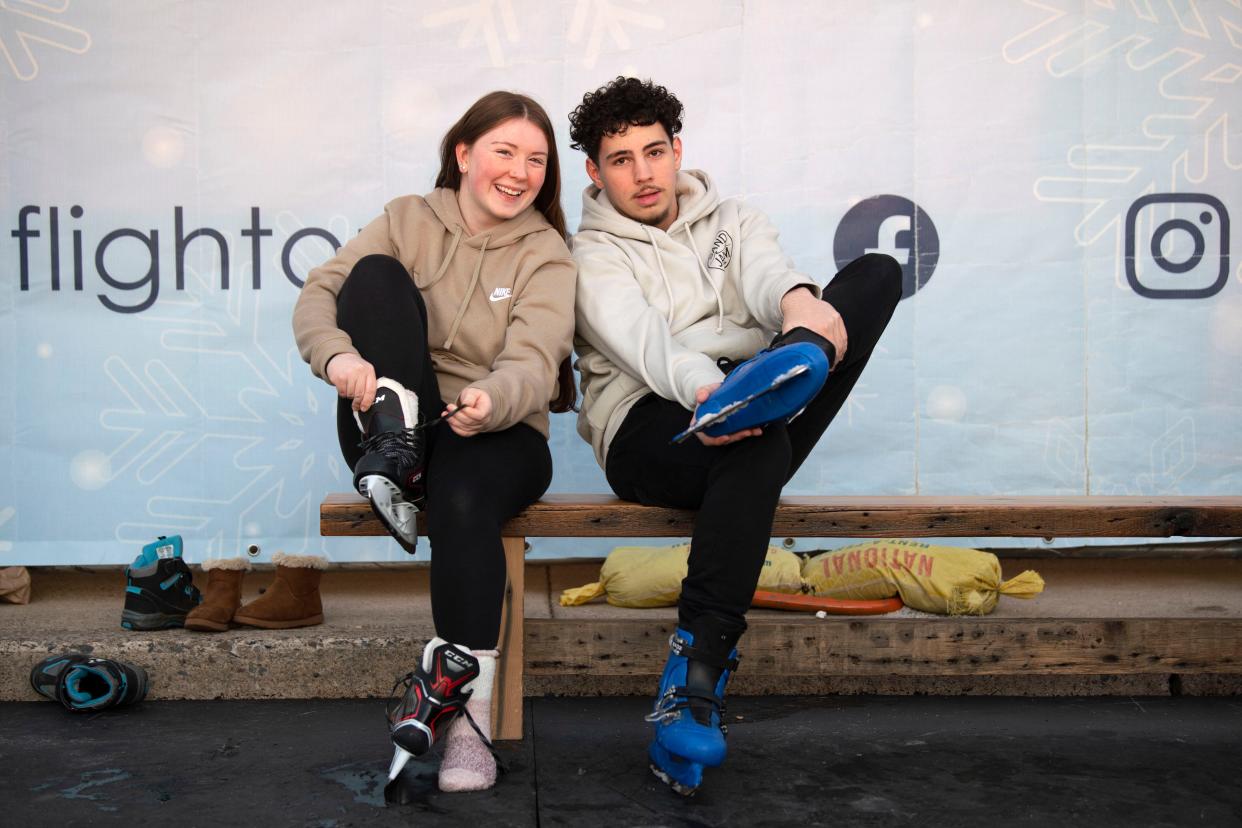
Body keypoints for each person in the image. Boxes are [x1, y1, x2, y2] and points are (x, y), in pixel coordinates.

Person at [567, 77, 902, 795]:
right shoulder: (589, 256)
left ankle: (785, 378)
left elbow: (765, 275)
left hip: (755, 398)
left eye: (654, 152)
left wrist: (799, 305)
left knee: (874, 276)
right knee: (758, 438)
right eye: (621, 160)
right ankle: (698, 677)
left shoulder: (734, 218)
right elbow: (646, 345)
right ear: (594, 172)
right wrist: (711, 398)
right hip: (652, 426)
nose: (644, 172)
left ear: (677, 149)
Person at [292, 91, 577, 793]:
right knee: (374, 277)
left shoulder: (547, 253)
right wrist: (337, 359)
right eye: (504, 152)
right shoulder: (407, 218)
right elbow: (318, 296)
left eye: (536, 159)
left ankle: (465, 718)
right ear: (464, 153)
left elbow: (536, 361)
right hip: (393, 414)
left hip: (493, 431)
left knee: (463, 494)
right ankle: (395, 457)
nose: (520, 172)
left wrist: (492, 399)